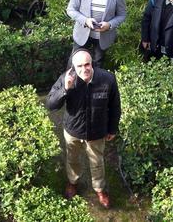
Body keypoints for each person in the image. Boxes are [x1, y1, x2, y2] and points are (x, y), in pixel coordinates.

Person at [46, 49, 121, 209]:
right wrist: (65, 89)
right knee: (72, 159)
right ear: (73, 67)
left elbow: (115, 106)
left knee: (97, 162)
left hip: (97, 131)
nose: (84, 69)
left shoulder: (107, 79)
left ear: (92, 63)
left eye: (87, 64)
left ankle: (100, 189)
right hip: (73, 130)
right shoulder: (66, 78)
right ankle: (73, 182)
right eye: (79, 66)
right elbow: (51, 105)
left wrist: (112, 129)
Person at [66, 0, 126, 67]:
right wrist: (85, 21)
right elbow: (71, 9)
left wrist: (109, 25)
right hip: (82, 34)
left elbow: (122, 15)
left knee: (97, 66)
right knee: (74, 64)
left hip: (104, 37)